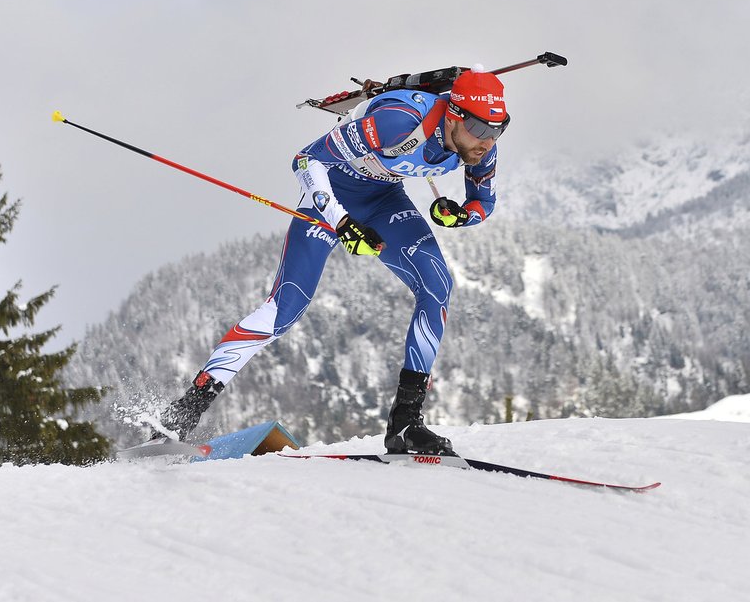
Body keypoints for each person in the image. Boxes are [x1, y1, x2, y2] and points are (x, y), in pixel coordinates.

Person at [150, 69, 509, 456]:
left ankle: (406, 423)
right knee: (286, 309)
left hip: (384, 201)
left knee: (437, 286)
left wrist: (461, 215)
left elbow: (482, 203)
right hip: (330, 198)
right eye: (478, 127)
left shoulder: (478, 145)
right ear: (454, 114)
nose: (487, 141)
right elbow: (306, 160)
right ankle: (183, 413)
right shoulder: (398, 121)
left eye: (498, 130)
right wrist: (340, 219)